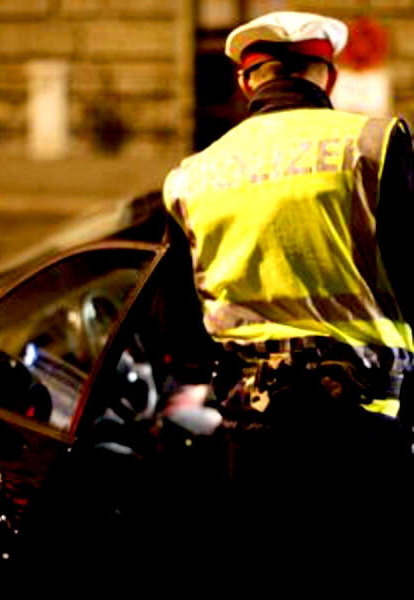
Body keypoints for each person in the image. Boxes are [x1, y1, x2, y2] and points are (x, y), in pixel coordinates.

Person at [162, 10, 414, 539]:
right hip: (366, 429)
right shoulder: (373, 144)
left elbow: (183, 345)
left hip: (253, 441)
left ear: (245, 80)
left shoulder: (192, 177)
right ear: (330, 75)